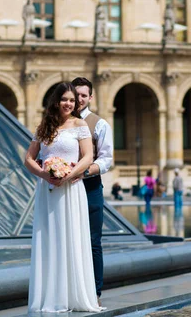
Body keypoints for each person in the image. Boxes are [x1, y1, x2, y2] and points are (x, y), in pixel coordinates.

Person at [24, 82, 102, 313]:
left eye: (72, 100)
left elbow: (88, 157)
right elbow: (28, 159)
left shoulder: (80, 125)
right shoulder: (44, 127)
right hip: (48, 190)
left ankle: (73, 296)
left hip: (71, 189)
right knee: (49, 238)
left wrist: (68, 175)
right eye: (64, 99)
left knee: (72, 238)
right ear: (55, 101)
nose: (69, 103)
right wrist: (44, 174)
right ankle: (51, 296)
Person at [72, 77, 114, 305]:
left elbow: (107, 160)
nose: (79, 99)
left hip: (90, 187)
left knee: (93, 240)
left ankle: (95, 292)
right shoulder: (62, 123)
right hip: (66, 188)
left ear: (90, 97)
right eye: (75, 94)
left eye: (83, 95)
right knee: (70, 239)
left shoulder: (99, 124)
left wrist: (82, 172)